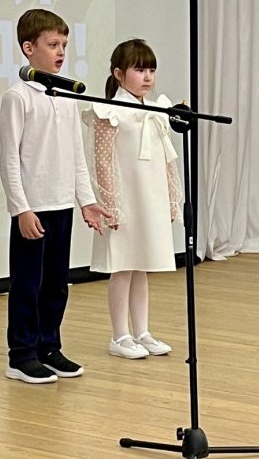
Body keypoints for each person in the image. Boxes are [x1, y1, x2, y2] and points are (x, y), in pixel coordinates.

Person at [0, 8, 110, 384]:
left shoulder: (66, 96)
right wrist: (21, 209)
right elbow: (9, 159)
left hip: (62, 204)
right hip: (34, 207)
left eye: (64, 44)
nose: (60, 51)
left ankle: (49, 346)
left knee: (56, 283)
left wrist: (87, 200)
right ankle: (21, 354)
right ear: (29, 48)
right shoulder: (17, 97)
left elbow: (77, 155)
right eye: (52, 44)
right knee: (28, 284)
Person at [82, 39, 183, 360]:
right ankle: (120, 335)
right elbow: (101, 161)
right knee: (123, 267)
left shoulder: (156, 111)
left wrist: (172, 197)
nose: (147, 77)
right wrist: (110, 204)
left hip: (149, 199)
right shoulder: (109, 111)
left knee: (142, 266)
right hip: (124, 202)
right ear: (119, 73)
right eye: (139, 70)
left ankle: (142, 331)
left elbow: (166, 158)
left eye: (151, 70)